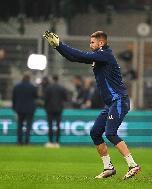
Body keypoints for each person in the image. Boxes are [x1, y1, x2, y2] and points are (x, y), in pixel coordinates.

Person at [43, 30, 141, 179]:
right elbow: (74, 57)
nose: (90, 45)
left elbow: (81, 55)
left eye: (92, 42)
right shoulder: (100, 56)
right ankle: (108, 167)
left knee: (110, 133)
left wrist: (61, 44)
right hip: (111, 104)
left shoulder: (105, 55)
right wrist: (58, 47)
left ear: (101, 43)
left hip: (119, 100)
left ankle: (133, 165)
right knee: (95, 132)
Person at [12, 73, 37, 145]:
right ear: (29, 79)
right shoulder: (32, 87)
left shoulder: (17, 87)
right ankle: (27, 141)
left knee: (19, 125)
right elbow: (36, 97)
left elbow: (14, 98)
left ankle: (19, 141)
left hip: (19, 108)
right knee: (28, 125)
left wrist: (14, 107)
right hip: (30, 109)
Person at [44, 75, 67, 148]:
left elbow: (45, 99)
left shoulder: (48, 88)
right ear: (58, 79)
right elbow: (66, 98)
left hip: (49, 109)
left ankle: (50, 142)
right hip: (59, 109)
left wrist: (45, 107)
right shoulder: (61, 88)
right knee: (58, 126)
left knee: (50, 126)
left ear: (52, 79)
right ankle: (57, 142)